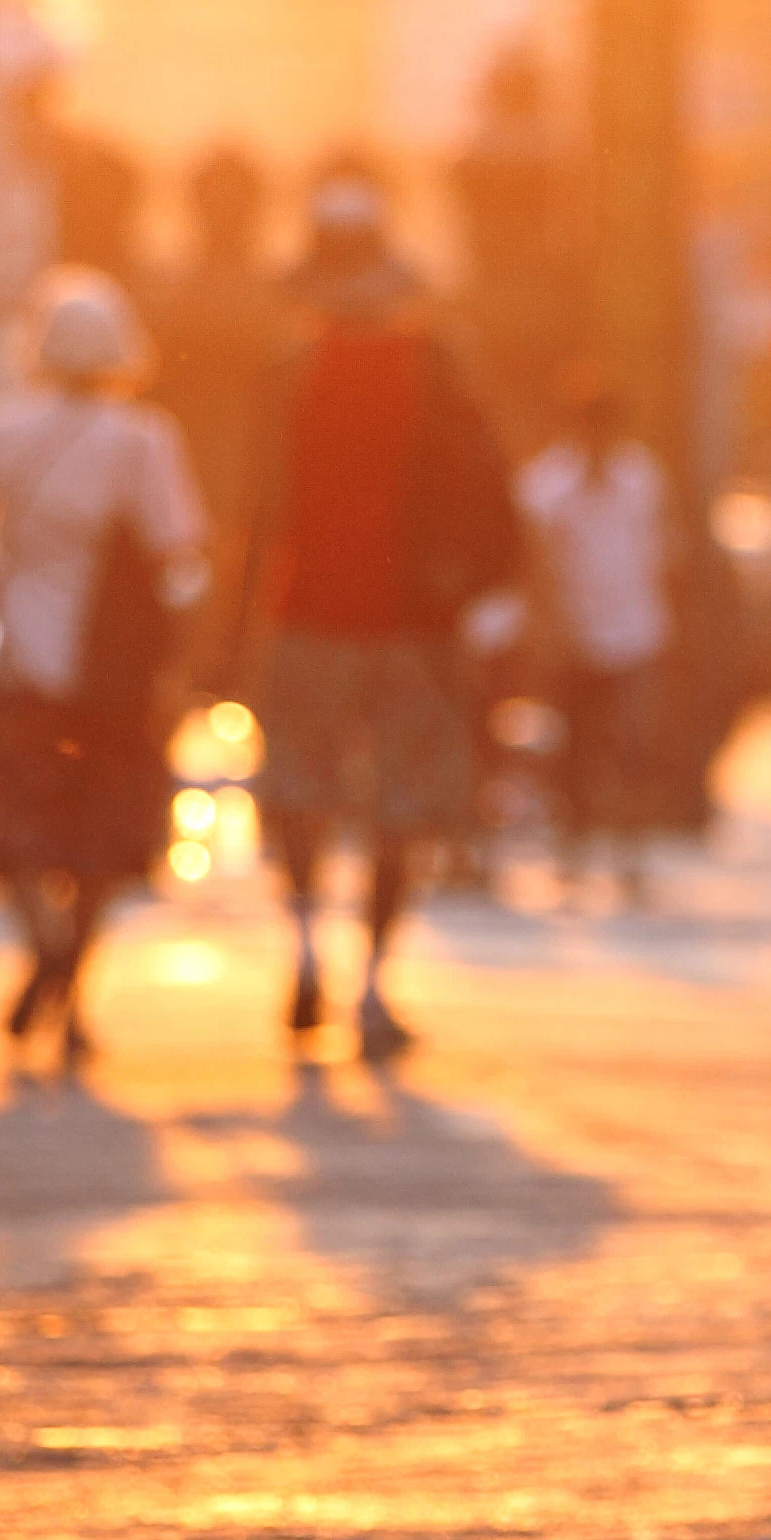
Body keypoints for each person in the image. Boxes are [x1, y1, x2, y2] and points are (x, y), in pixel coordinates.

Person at [233, 161, 520, 1059]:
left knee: (299, 800)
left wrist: (230, 636)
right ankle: (375, 985)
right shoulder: (437, 366)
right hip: (411, 626)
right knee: (404, 809)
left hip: (308, 618)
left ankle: (311, 947)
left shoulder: (289, 374)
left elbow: (258, 512)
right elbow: (492, 490)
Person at [0, 266, 209, 1070]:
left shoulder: (3, 430)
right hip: (114, 682)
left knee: (18, 825)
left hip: (23, 669)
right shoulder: (144, 440)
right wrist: (179, 663)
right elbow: (179, 560)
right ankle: (72, 985)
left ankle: (42, 947)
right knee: (99, 838)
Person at [517, 362, 673, 873]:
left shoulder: (641, 478)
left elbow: (655, 552)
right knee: (573, 746)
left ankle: (631, 852)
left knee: (632, 745)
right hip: (573, 633)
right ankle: (574, 847)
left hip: (633, 632)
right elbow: (535, 560)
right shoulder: (547, 482)